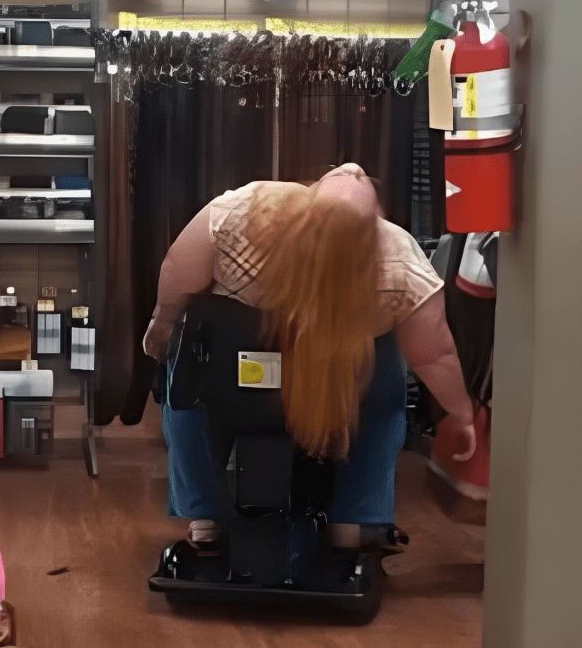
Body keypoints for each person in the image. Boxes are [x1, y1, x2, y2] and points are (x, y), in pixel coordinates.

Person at [143, 164, 476, 548]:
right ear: (375, 225)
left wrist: (161, 331)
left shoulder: (240, 213)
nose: (354, 168)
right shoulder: (401, 264)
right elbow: (435, 356)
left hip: (239, 383)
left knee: (184, 362)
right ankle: (352, 518)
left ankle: (203, 513)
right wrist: (462, 414)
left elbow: (175, 276)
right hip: (339, 391)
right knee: (388, 364)